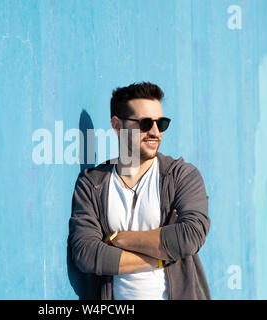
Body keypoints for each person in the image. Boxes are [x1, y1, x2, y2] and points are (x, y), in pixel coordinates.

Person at [68, 82, 211, 300]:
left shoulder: (181, 176)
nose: (155, 132)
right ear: (117, 125)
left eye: (161, 123)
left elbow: (189, 236)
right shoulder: (92, 185)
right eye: (145, 123)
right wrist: (162, 255)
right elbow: (86, 253)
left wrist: (119, 239)